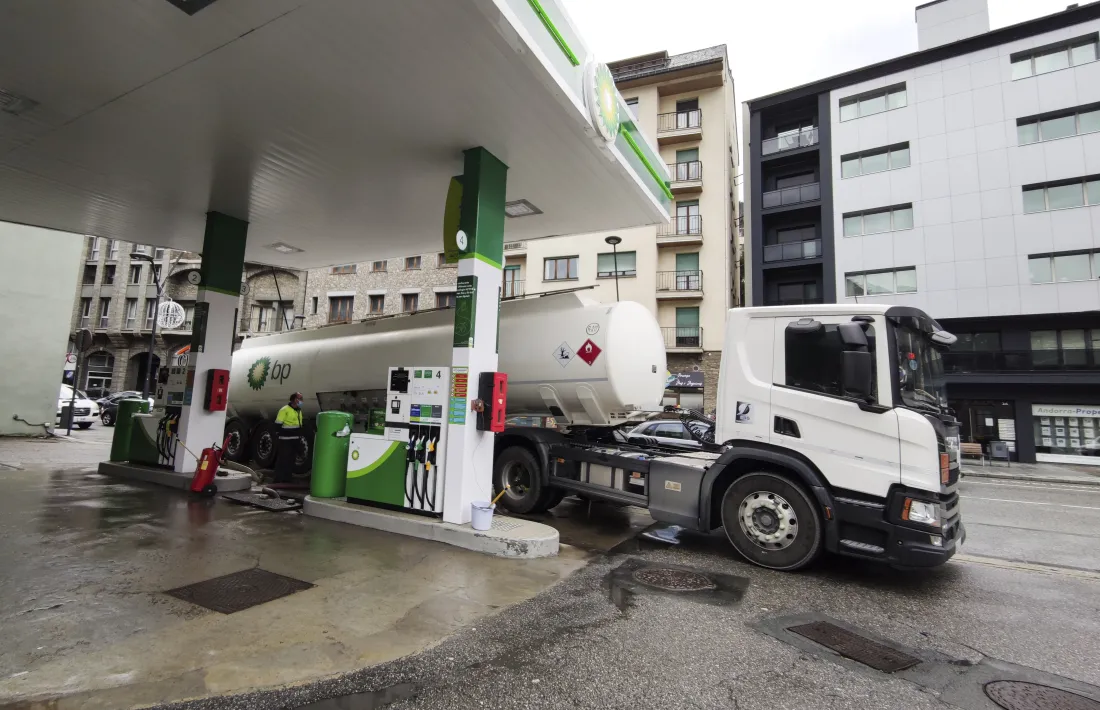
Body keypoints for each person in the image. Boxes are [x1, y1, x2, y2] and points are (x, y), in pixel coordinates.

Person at [273, 392, 305, 483]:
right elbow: (278, 424)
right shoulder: (284, 410)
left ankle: (287, 478)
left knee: (291, 460)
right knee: (283, 459)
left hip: (295, 439)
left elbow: (299, 425)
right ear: (295, 399)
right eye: (300, 398)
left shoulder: (299, 410)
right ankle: (278, 479)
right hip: (285, 439)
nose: (302, 401)